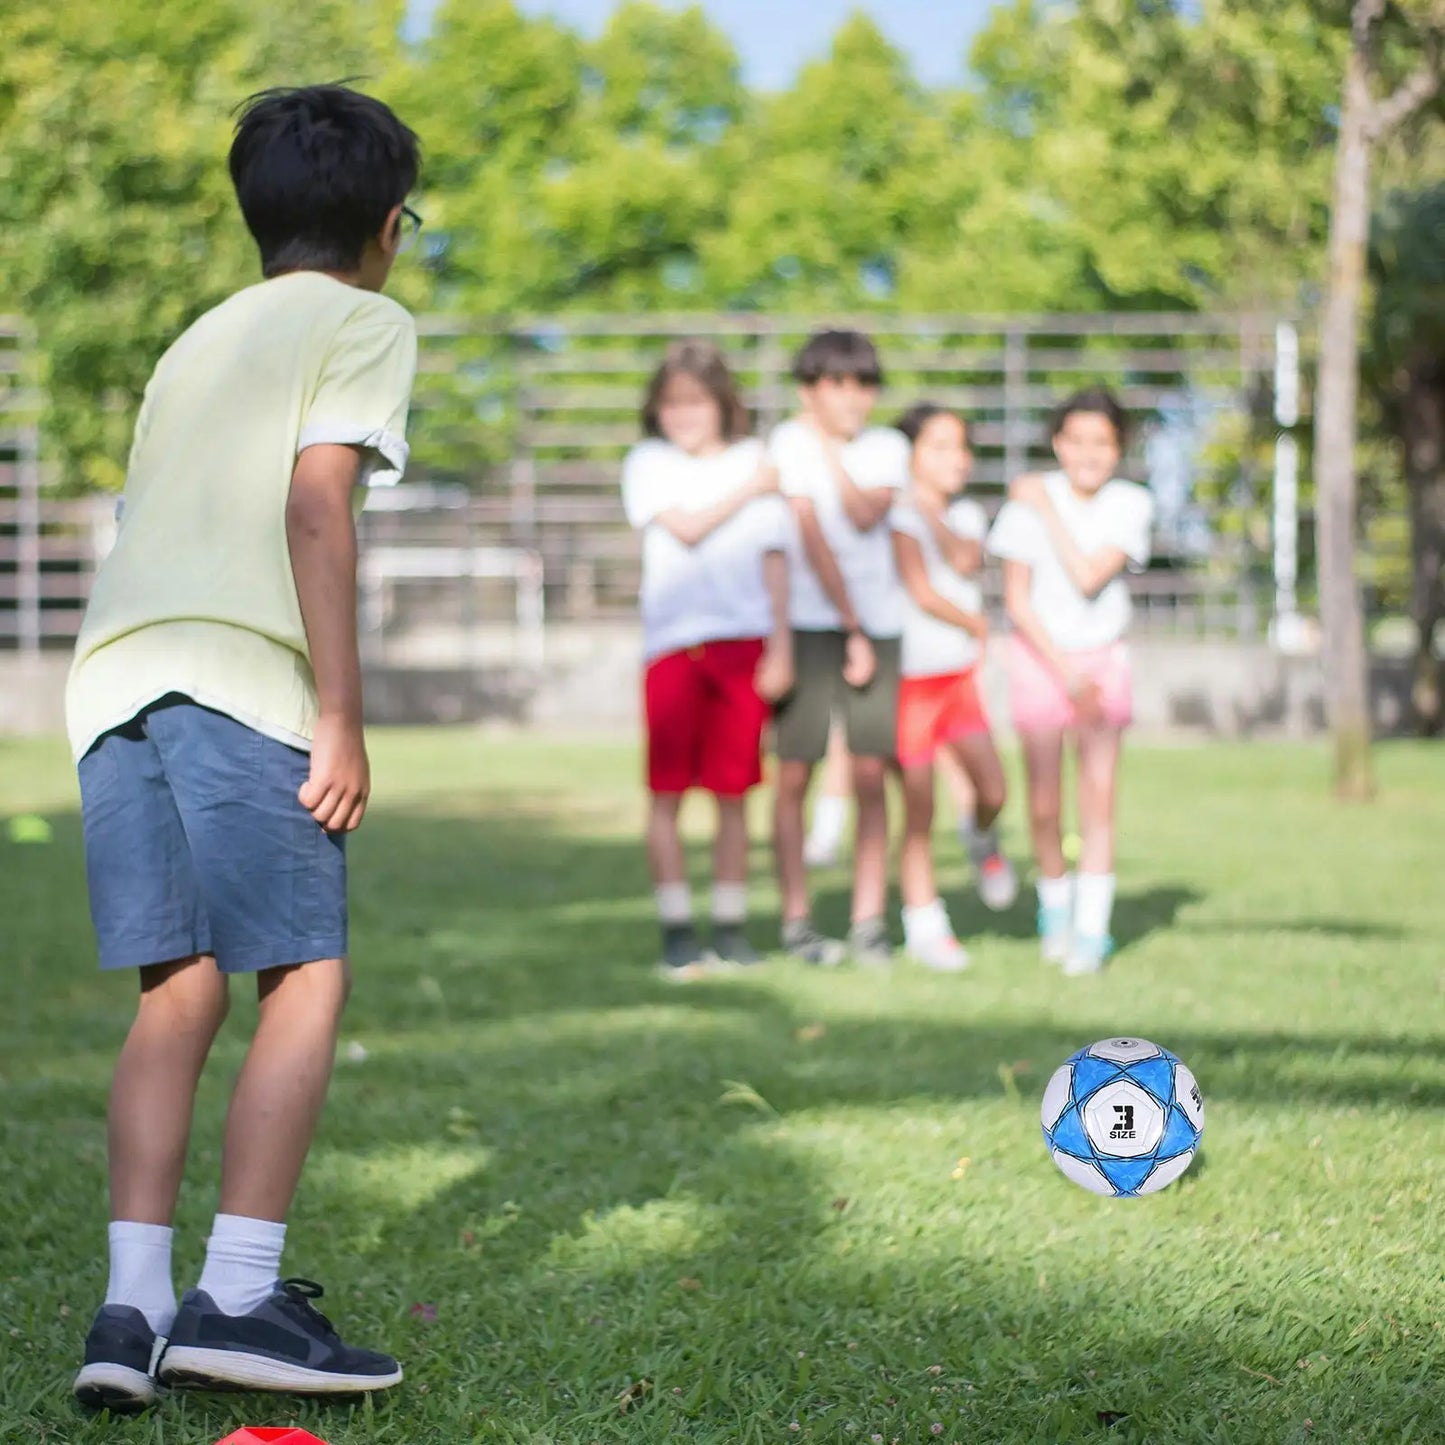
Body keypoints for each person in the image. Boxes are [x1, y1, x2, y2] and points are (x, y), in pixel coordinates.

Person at [67, 85, 422, 1410]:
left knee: (176, 991)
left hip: (114, 683)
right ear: (388, 224)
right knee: (304, 972)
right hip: (237, 677)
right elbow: (316, 506)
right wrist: (341, 713)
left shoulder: (194, 340)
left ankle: (133, 1308)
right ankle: (238, 1294)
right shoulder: (367, 320)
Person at [622, 341, 794, 980]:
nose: (684, 415)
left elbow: (775, 559)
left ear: (722, 403)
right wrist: (750, 489)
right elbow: (687, 528)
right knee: (667, 793)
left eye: (696, 401)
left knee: (733, 792)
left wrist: (782, 645)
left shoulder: (754, 458)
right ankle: (676, 930)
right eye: (671, 403)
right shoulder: (649, 463)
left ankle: (729, 926)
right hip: (672, 647)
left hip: (742, 644)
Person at [986, 387, 1154, 976]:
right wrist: (1063, 670)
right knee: (1043, 804)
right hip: (1040, 663)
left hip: (1103, 665)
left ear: (1119, 447)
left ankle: (1091, 930)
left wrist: (1048, 511)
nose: (1088, 453)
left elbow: (1088, 576)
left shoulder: (1130, 504)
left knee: (1098, 799)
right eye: (1076, 440)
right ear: (1058, 443)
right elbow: (1017, 600)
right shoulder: (1021, 509)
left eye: (1101, 442)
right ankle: (1055, 907)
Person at [769, 329, 909, 968]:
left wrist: (825, 447)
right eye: (836, 384)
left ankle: (868, 920)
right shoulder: (785, 441)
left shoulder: (887, 448)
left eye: (863, 384)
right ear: (809, 390)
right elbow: (809, 533)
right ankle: (796, 919)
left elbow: (859, 513)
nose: (853, 397)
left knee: (870, 773)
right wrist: (847, 625)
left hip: (878, 627)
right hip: (809, 625)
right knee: (795, 772)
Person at [890, 404, 1018, 971]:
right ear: (911, 455)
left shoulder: (964, 513)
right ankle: (925, 924)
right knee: (918, 809)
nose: (957, 458)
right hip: (909, 682)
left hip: (958, 679)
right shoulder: (894, 515)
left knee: (994, 790)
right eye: (939, 446)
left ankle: (981, 839)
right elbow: (919, 590)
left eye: (961, 446)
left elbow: (965, 560)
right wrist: (973, 623)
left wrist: (929, 510)